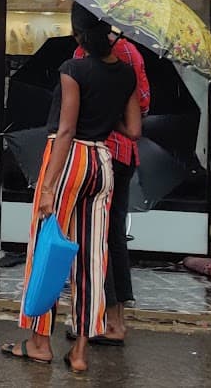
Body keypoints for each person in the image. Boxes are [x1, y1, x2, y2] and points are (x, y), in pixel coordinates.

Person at [1, 5, 141, 374]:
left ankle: (39, 342)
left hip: (69, 160)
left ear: (78, 34)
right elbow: (133, 130)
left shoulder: (72, 70)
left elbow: (65, 130)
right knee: (94, 256)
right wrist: (106, 114)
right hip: (102, 162)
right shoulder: (126, 74)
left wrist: (47, 188)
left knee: (46, 249)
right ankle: (80, 351)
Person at [71, 34, 151, 346]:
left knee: (95, 237)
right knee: (111, 234)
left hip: (96, 152)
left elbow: (78, 107)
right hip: (122, 155)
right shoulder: (130, 52)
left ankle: (107, 320)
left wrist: (106, 115)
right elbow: (143, 104)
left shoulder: (82, 55)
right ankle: (111, 318)